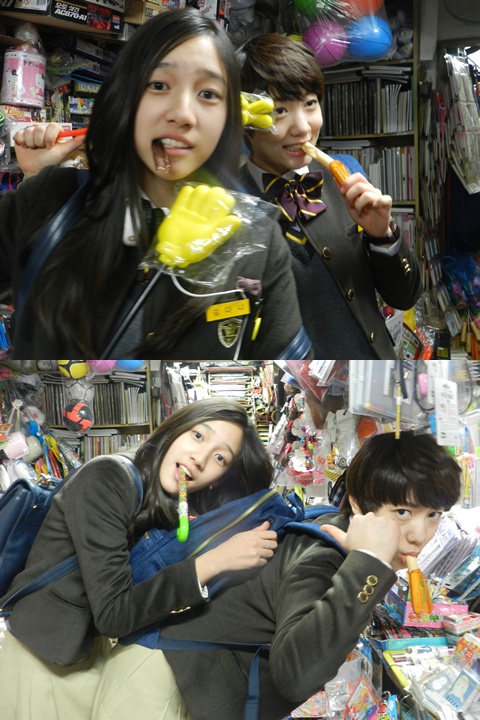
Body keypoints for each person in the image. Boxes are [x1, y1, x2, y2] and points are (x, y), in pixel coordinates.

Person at [1, 9, 310, 360]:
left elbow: (291, 367)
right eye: (159, 85)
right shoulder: (51, 200)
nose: (183, 114)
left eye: (208, 94)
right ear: (126, 97)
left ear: (227, 118)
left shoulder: (257, 240)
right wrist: (36, 184)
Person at [90, 430, 461, 720]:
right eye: (401, 512)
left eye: (433, 514)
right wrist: (368, 563)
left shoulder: (335, 529)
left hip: (185, 679)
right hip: (160, 688)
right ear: (358, 503)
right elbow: (296, 675)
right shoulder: (323, 555)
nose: (419, 534)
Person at [0, 397, 278, 720]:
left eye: (220, 457)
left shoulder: (166, 498)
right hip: (44, 657)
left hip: (83, 652)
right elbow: (113, 614)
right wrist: (212, 563)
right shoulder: (109, 477)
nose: (200, 458)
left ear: (220, 478)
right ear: (176, 429)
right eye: (198, 436)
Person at [236, 34, 423, 359]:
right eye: (279, 110)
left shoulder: (347, 173)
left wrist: (383, 236)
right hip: (304, 382)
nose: (303, 128)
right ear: (243, 120)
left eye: (310, 103)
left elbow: (404, 297)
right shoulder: (227, 205)